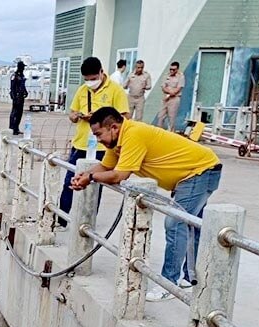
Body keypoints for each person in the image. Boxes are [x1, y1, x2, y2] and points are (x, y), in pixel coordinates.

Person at [69, 107, 223, 301]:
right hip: (194, 172)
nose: (98, 140)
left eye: (99, 134)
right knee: (191, 226)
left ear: (114, 127)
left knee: (175, 223)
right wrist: (84, 175)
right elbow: (106, 166)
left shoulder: (134, 135)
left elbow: (119, 175)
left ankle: (169, 283)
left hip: (200, 171)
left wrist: (90, 177)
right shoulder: (117, 142)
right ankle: (191, 277)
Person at [57, 57, 130, 225]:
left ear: (101, 72)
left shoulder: (116, 90)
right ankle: (61, 218)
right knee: (70, 179)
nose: (90, 82)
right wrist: (76, 116)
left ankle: (87, 222)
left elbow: (124, 117)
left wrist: (101, 119)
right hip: (81, 142)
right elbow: (72, 112)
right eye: (87, 80)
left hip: (102, 146)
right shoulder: (83, 90)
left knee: (95, 183)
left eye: (93, 79)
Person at [155, 61, 185, 131]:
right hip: (166, 97)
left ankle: (171, 133)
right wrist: (169, 92)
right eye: (170, 69)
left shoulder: (181, 76)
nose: (171, 71)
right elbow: (163, 87)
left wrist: (172, 92)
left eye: (173, 69)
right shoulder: (166, 75)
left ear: (177, 69)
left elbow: (178, 88)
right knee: (160, 116)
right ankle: (159, 132)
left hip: (174, 99)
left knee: (171, 118)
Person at [9, 61, 28, 135]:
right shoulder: (15, 75)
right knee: (14, 113)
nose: (23, 68)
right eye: (23, 66)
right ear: (19, 67)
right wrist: (14, 97)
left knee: (19, 113)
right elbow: (12, 87)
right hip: (16, 97)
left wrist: (25, 92)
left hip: (21, 97)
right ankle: (12, 128)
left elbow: (23, 85)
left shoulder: (22, 75)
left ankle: (16, 128)